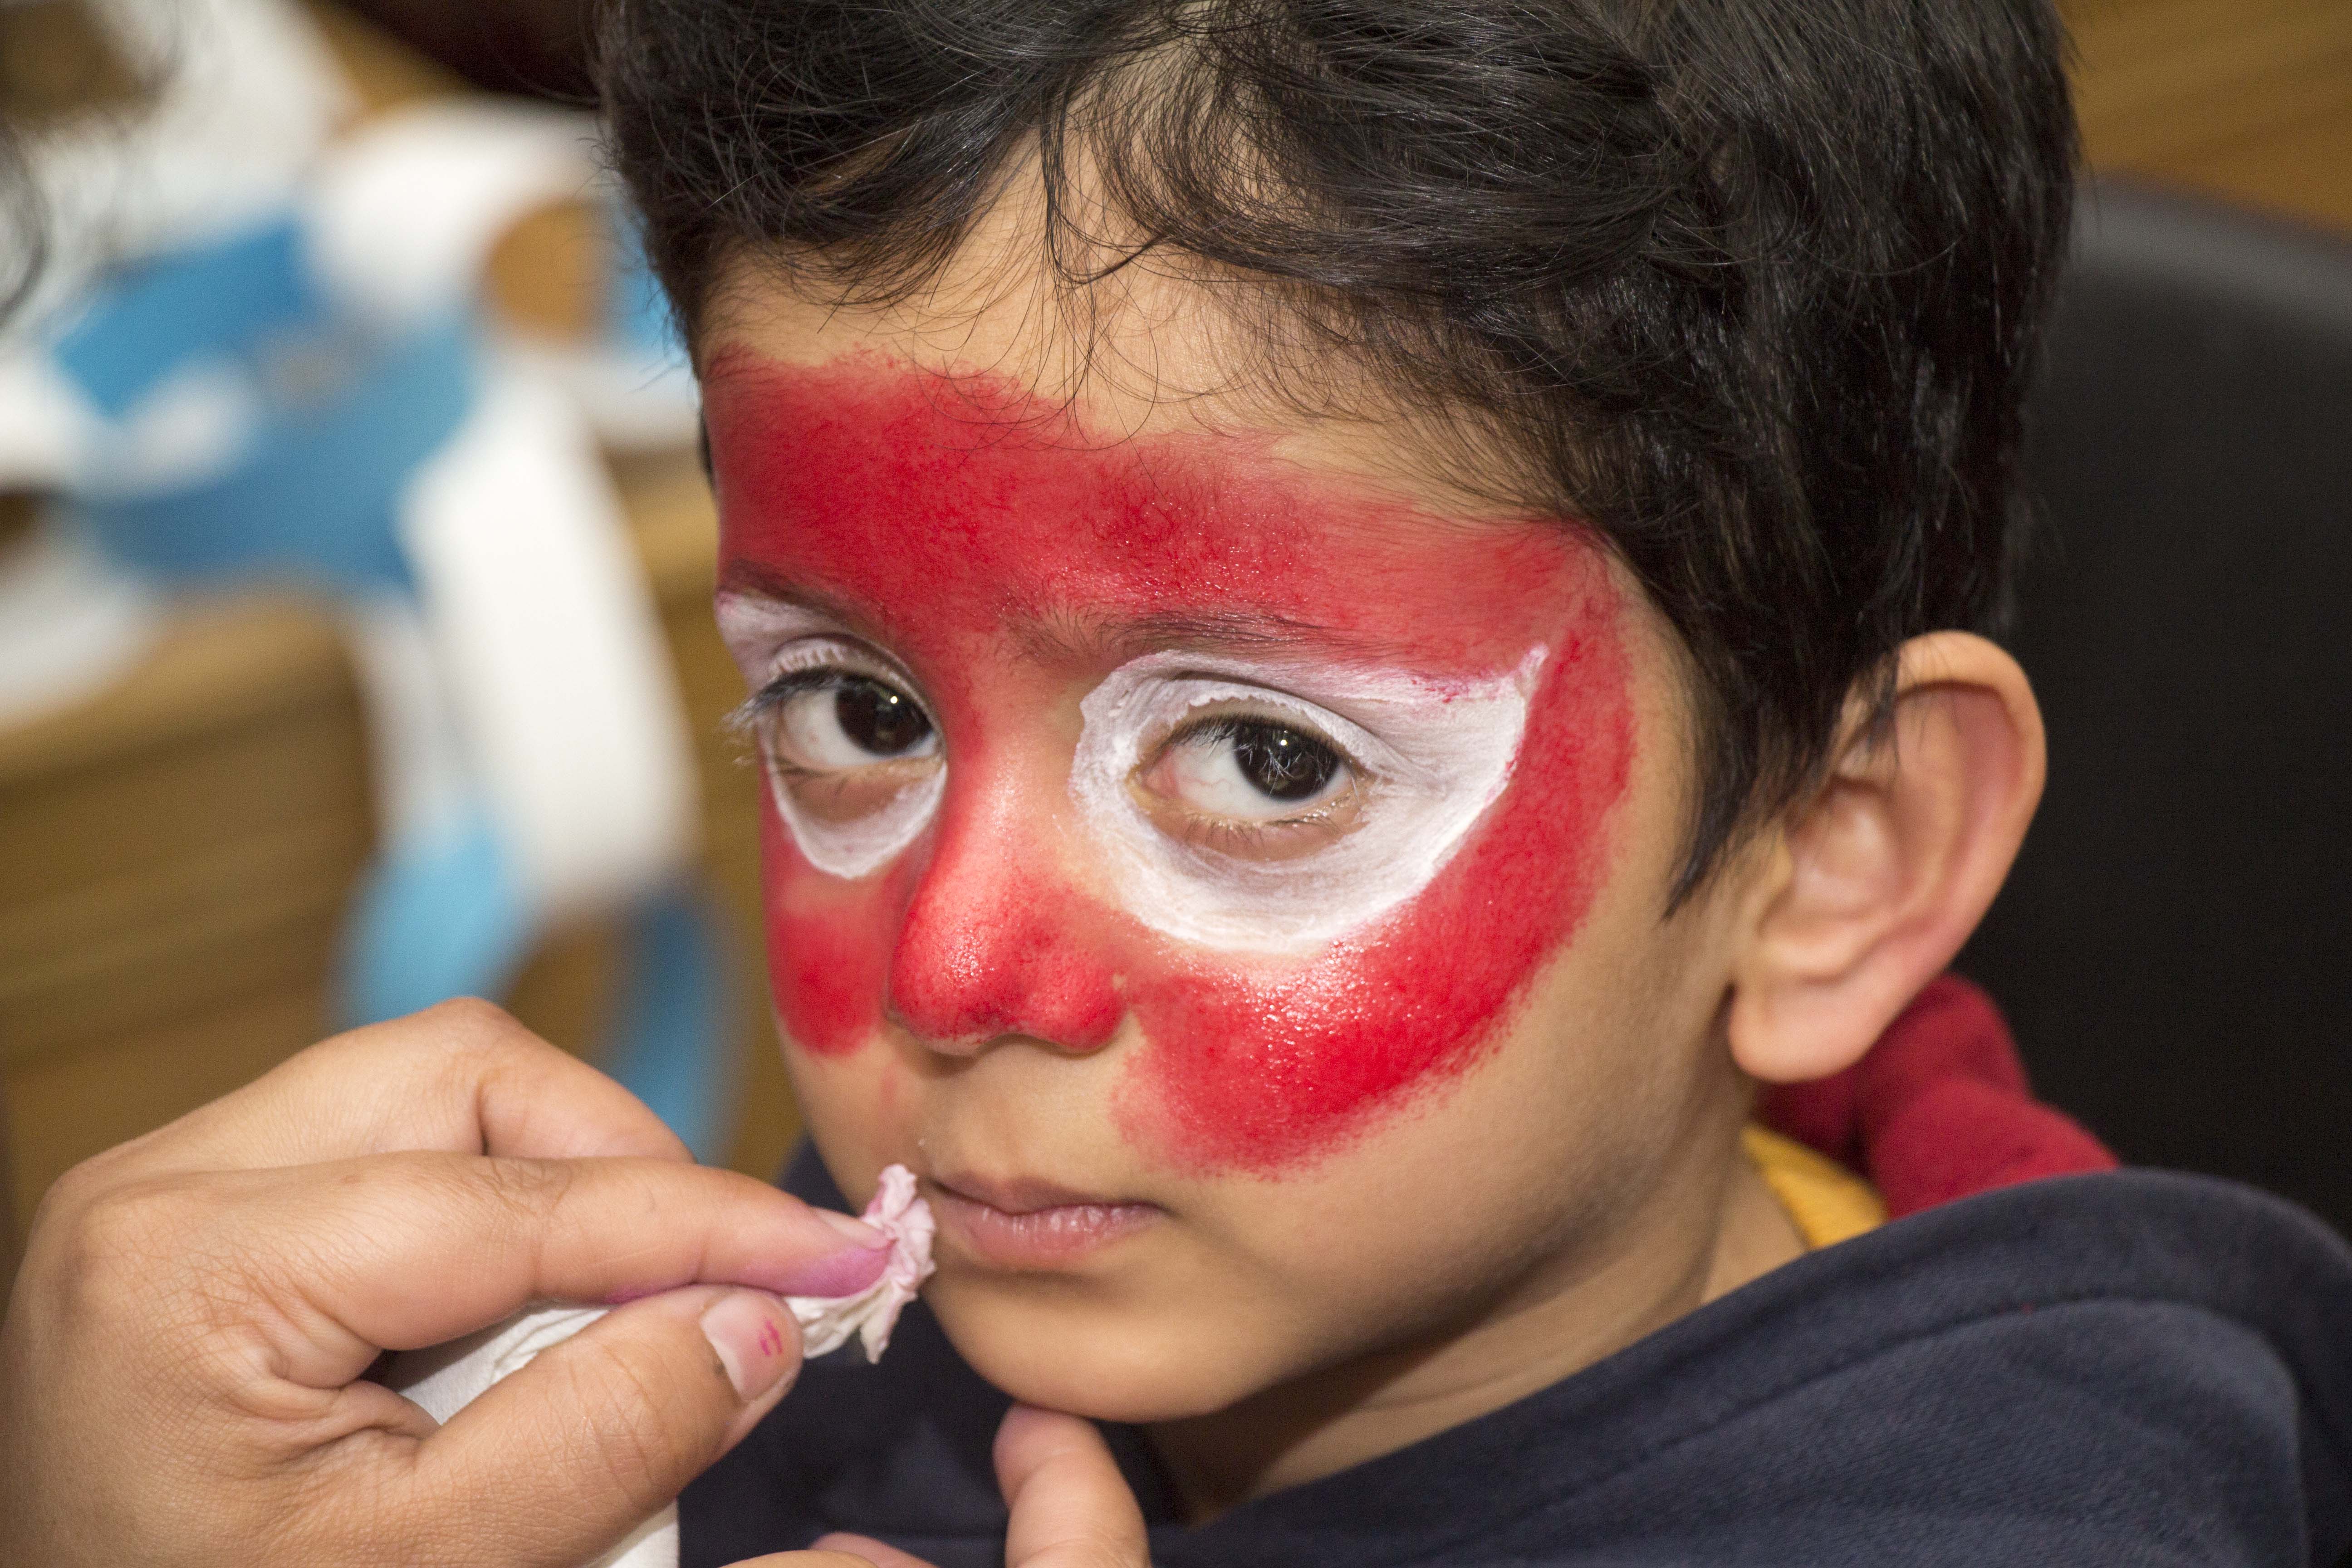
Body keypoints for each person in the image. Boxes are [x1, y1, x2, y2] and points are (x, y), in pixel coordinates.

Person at [6, 1, 2351, 1565]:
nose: (953, 967)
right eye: (863, 711)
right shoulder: (995, 1255)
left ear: (1832, 861)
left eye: (1262, 757)